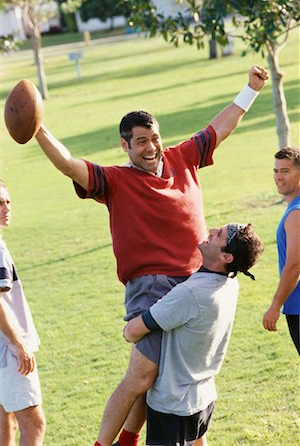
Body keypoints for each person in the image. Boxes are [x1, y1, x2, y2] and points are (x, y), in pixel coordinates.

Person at [34, 65, 268, 446]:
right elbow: (68, 165)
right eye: (140, 141)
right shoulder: (114, 180)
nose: (150, 147)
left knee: (179, 379)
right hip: (151, 287)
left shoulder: (183, 158)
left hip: (197, 287)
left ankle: (145, 438)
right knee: (143, 376)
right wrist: (38, 127)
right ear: (125, 146)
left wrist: (251, 89)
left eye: (154, 138)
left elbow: (221, 127)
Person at [123, 223, 264, 446]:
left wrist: (127, 332)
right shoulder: (230, 284)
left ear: (226, 257)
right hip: (204, 398)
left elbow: (133, 331)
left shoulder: (191, 293)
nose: (212, 230)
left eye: (219, 234)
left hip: (173, 407)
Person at [0, 181, 46, 446]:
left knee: (6, 421)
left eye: (8, 201)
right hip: (9, 352)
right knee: (34, 424)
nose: (6, 208)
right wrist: (19, 345)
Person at [263, 147, 300, 354]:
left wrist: (275, 306)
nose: (278, 177)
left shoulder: (296, 214)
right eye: (275, 171)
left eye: (285, 171)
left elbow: (295, 266)